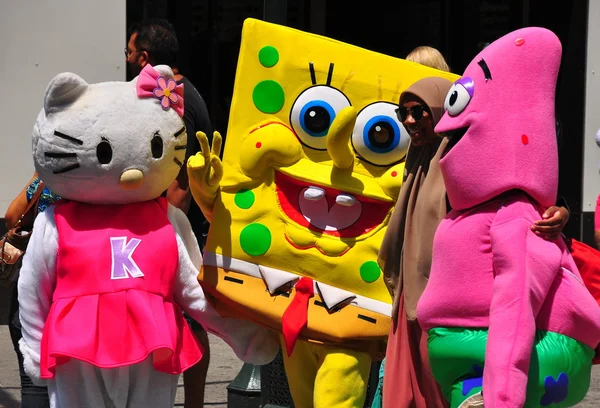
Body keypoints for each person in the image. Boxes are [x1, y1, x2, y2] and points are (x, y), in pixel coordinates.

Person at [377, 76, 569, 408]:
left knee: (439, 391)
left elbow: (511, 192)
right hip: (409, 300)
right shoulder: (415, 159)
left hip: (450, 304)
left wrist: (560, 210)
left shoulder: (461, 155)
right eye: (402, 113)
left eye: (419, 112)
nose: (409, 121)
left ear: (439, 111)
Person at [126, 18, 213, 408]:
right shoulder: (181, 91)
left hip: (175, 227)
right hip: (176, 225)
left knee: (189, 319)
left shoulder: (171, 97)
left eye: (128, 54)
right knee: (188, 318)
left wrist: (164, 230)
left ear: (144, 57)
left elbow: (180, 175)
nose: (127, 61)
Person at [5, 172, 60, 408]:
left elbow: (12, 217)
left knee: (33, 380)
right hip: (78, 289)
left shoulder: (50, 179)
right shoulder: (100, 185)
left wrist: (39, 174)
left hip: (33, 287)